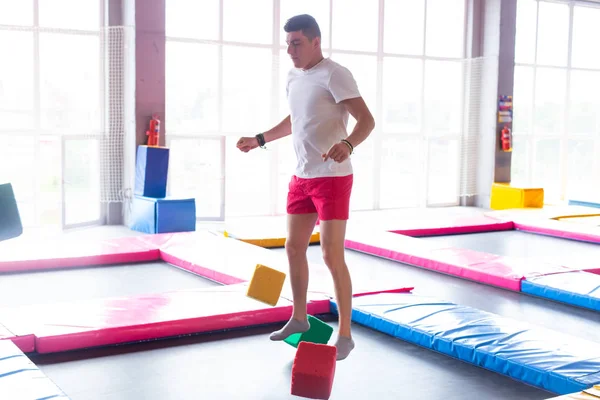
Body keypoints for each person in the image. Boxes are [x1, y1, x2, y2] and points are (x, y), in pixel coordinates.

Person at [236, 14, 375, 361]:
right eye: (287, 44)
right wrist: (260, 139)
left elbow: (366, 120)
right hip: (302, 176)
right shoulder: (293, 77)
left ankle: (345, 334)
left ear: (315, 41)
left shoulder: (335, 74)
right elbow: (296, 120)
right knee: (293, 247)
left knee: (330, 254)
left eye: (296, 43)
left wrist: (349, 144)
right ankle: (299, 317)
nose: (290, 50)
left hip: (333, 177)